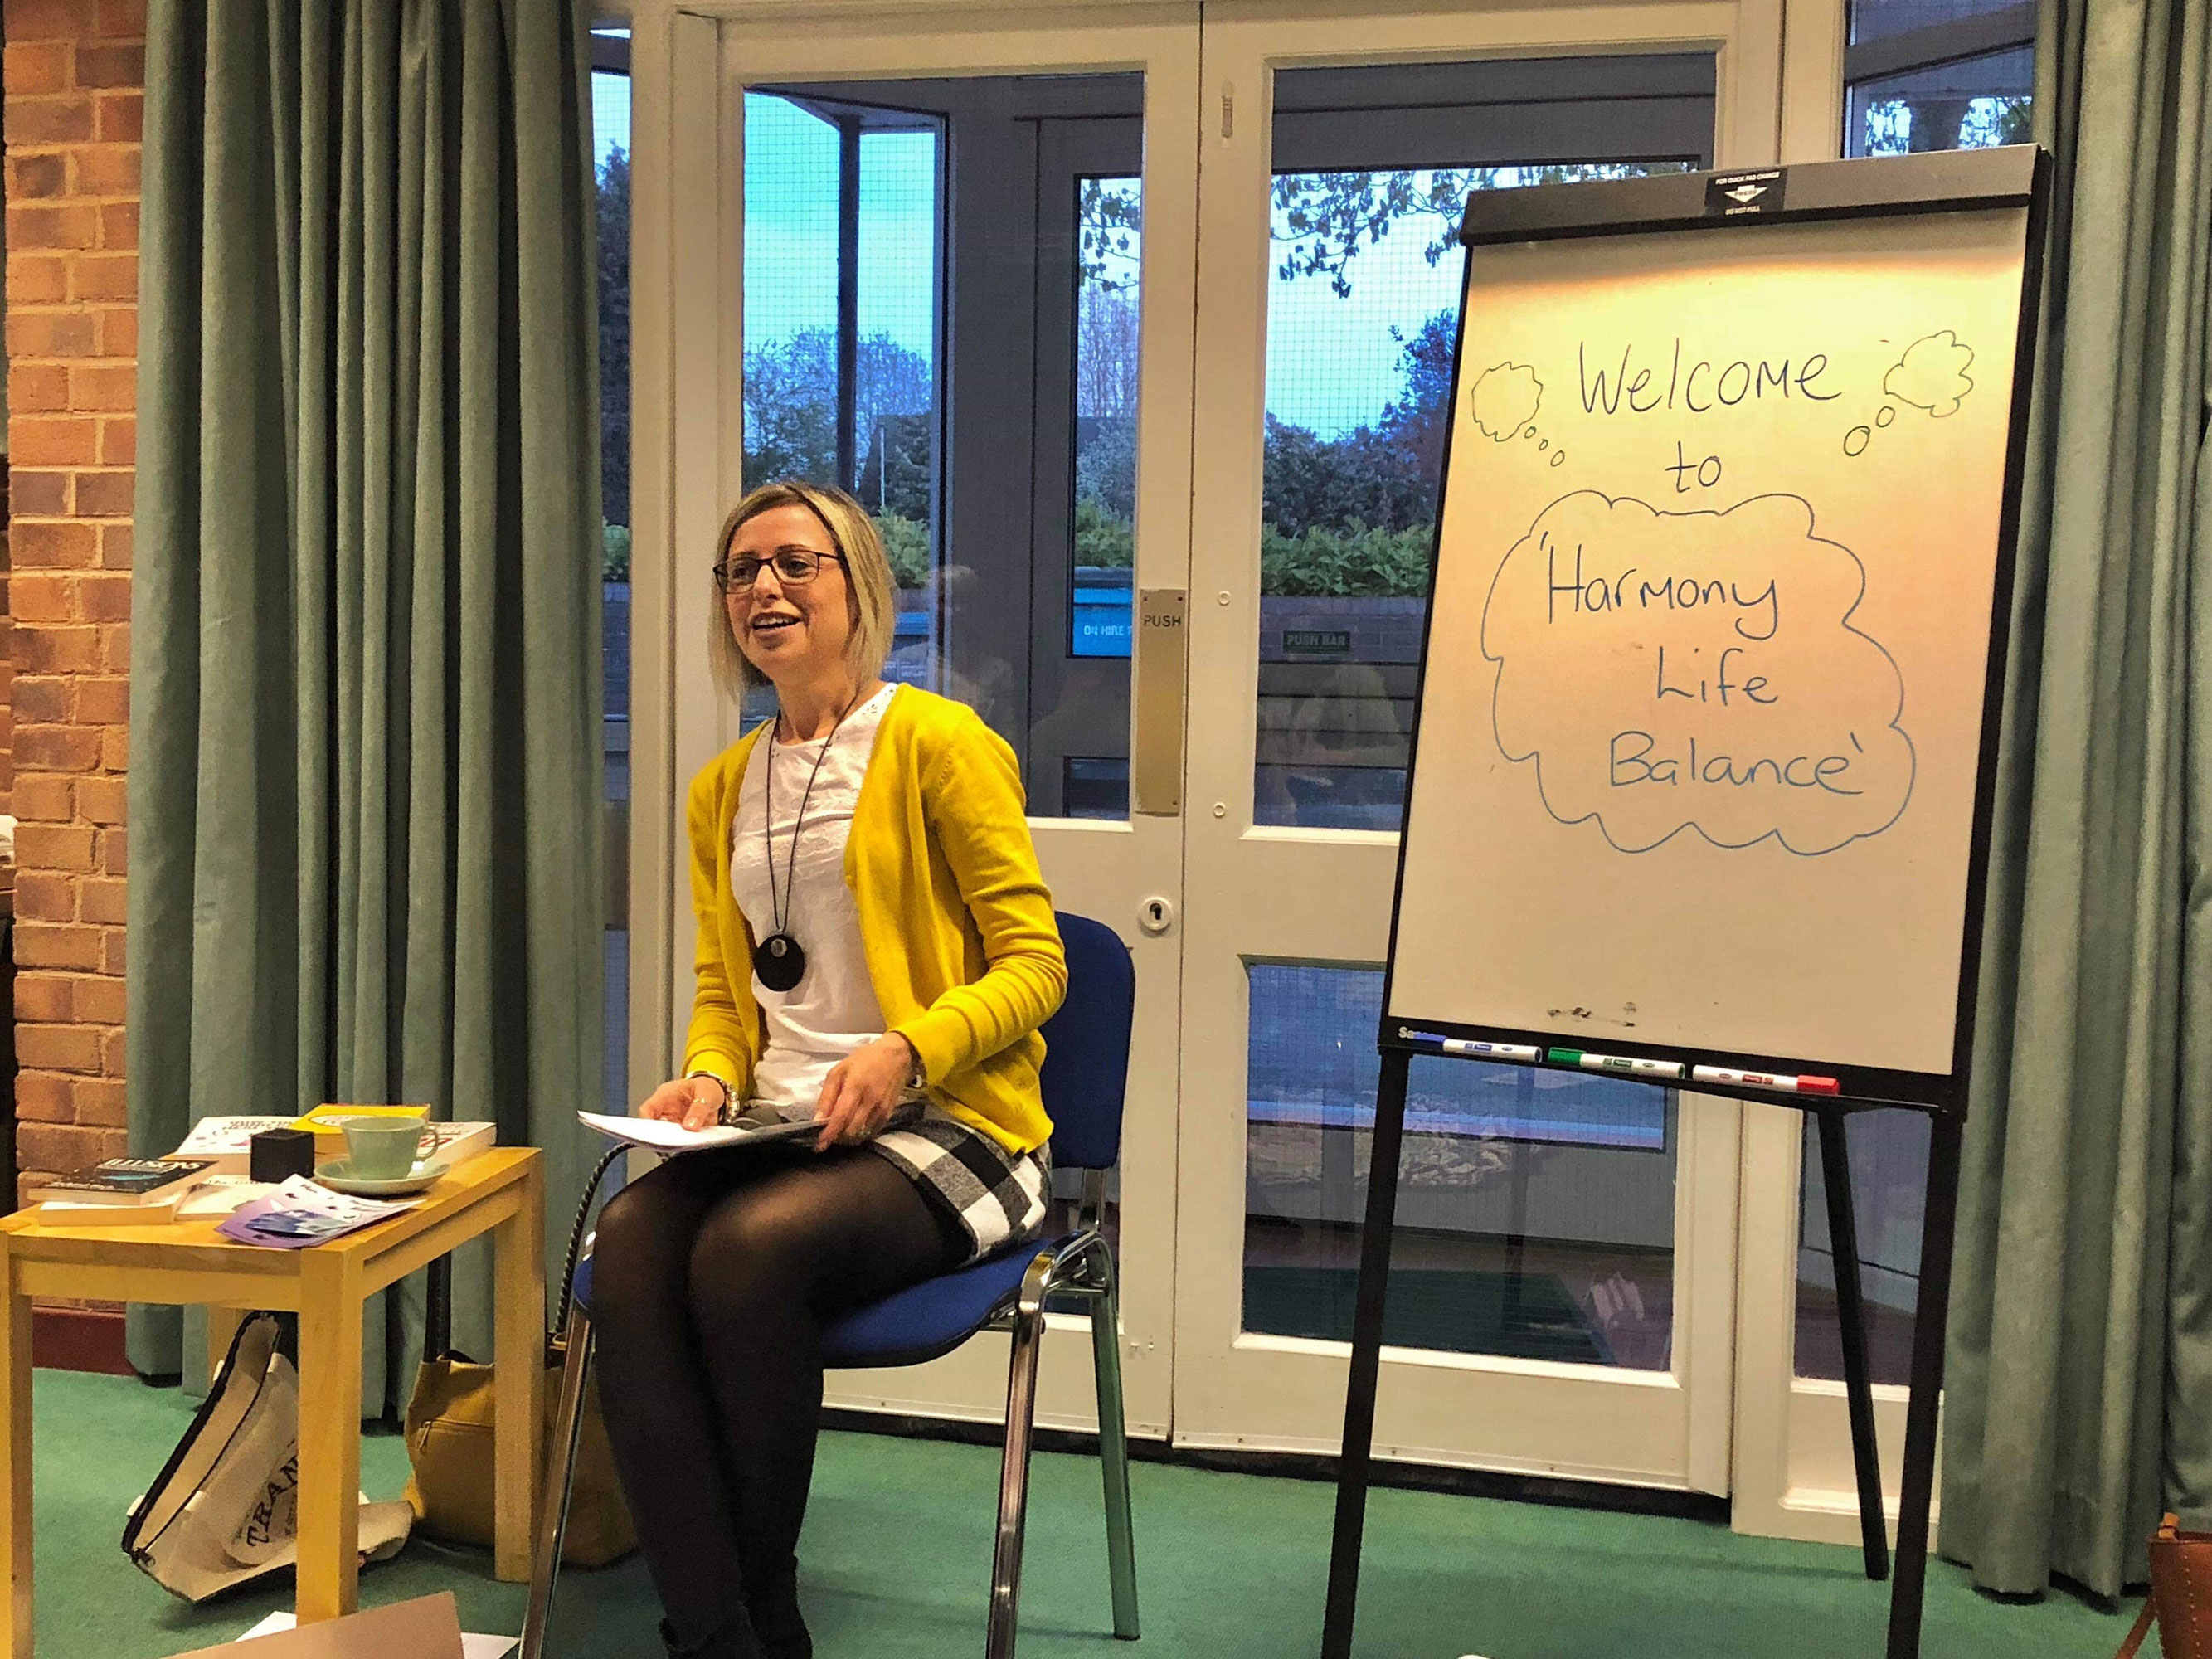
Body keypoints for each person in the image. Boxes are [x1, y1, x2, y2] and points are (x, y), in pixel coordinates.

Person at [591, 482, 1067, 1659]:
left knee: (748, 1251)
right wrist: (709, 1080)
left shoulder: (941, 744)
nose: (764, 588)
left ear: (859, 585)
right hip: (781, 1126)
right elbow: (729, 995)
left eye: (796, 563)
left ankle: (768, 1616)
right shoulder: (721, 788)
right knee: (631, 1242)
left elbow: (1037, 965)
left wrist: (908, 1048)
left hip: (954, 1126)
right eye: (741, 570)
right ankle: (714, 1634)